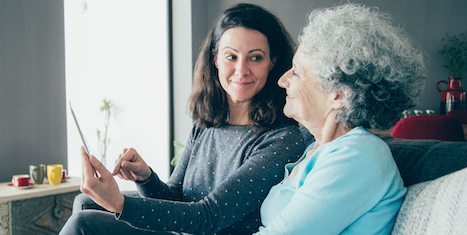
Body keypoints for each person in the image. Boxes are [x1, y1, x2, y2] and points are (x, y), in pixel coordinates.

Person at [59, 3, 305, 235]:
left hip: (205, 227)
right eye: (231, 56)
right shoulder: (207, 123)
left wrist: (120, 204)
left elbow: (208, 216)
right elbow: (175, 196)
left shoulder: (281, 139)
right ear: (215, 59)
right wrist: (146, 177)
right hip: (185, 228)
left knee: (83, 223)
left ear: (273, 62)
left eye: (255, 57)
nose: (241, 70)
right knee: (84, 202)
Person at [254, 3, 426, 235]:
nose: (282, 80)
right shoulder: (317, 149)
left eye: (296, 72)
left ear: (338, 95)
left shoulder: (357, 155)